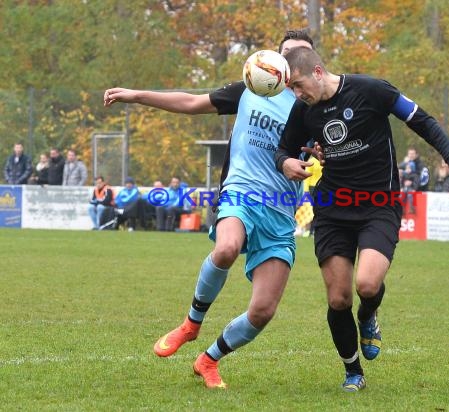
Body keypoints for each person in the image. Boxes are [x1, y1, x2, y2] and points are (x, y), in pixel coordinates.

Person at [103, 29, 315, 389]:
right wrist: (138, 96)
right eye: (286, 54)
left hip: (280, 211)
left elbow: (331, 149)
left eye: (301, 56)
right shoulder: (250, 88)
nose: (291, 63)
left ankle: (208, 360)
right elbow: (191, 103)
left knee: (263, 311)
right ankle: (191, 323)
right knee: (227, 247)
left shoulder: (315, 107)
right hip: (242, 192)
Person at [274, 47, 449, 392]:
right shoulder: (303, 110)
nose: (296, 94)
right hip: (332, 208)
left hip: (378, 205)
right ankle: (353, 371)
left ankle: (368, 314)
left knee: (367, 286)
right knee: (338, 298)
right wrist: (286, 163)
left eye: (297, 85)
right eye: (291, 89)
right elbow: (284, 148)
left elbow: (423, 120)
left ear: (318, 72)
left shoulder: (371, 90)